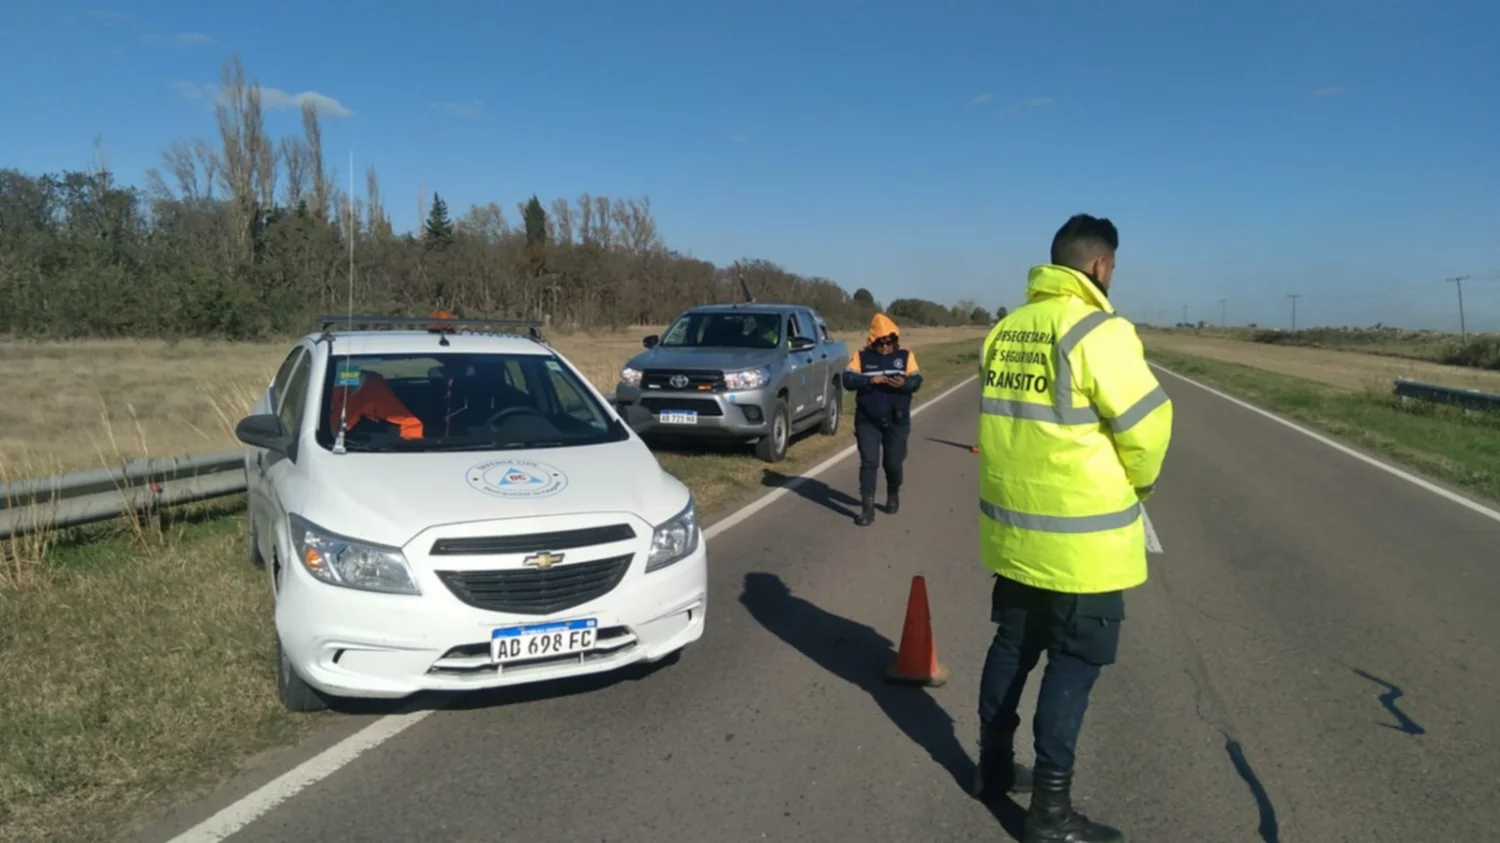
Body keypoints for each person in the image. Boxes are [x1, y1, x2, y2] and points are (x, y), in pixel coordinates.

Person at [971, 214, 1173, 843]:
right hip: (1083, 545)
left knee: (1013, 646)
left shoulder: (1004, 331)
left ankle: (994, 769)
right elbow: (1147, 429)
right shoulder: (1100, 330)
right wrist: (1139, 486)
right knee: (1073, 662)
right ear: (1100, 267)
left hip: (1015, 534)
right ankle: (1051, 814)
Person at [841, 313, 923, 526]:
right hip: (868, 419)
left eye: (891, 341)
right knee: (869, 463)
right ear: (873, 340)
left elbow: (916, 379)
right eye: (882, 341)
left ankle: (893, 493)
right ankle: (867, 509)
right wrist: (869, 381)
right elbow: (847, 379)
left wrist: (903, 384)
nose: (886, 345)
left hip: (897, 420)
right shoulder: (861, 356)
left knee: (893, 464)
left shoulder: (906, 356)